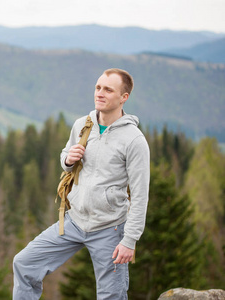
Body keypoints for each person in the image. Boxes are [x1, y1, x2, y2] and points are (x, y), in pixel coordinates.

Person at [13, 68, 150, 299]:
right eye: (98, 87)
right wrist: (68, 159)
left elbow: (140, 196)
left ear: (123, 97)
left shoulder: (134, 140)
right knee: (24, 264)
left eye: (108, 89)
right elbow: (66, 157)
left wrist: (129, 240)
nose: (100, 93)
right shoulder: (82, 125)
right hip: (73, 222)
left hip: (110, 228)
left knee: (111, 296)